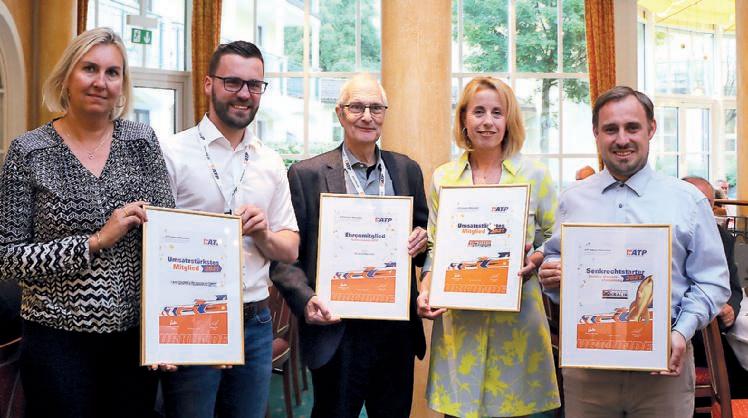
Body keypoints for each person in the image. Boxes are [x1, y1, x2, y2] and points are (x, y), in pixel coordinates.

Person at [0, 27, 174, 418]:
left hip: (133, 340)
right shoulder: (29, 151)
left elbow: (167, 241)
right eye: (89, 68)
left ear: (122, 85)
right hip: (56, 341)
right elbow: (7, 258)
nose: (100, 81)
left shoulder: (142, 142)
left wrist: (168, 331)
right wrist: (94, 242)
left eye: (112, 73)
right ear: (66, 77)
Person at [539, 86, 730, 417]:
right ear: (596, 133)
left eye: (632, 127)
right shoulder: (573, 199)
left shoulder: (687, 201)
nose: (621, 139)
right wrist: (551, 274)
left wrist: (681, 331)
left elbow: (712, 282)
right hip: (588, 371)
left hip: (664, 369)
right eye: (610, 129)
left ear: (651, 129)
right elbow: (554, 258)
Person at [158, 41, 299, 418]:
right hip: (192, 316)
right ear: (208, 84)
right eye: (232, 82)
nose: (244, 94)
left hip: (255, 320)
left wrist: (264, 235)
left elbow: (290, 249)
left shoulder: (270, 161)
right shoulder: (171, 152)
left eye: (254, 85)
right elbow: (153, 247)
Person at [284, 73, 429, 418]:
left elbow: (424, 239)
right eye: (357, 107)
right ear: (340, 113)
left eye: (376, 108)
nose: (367, 116)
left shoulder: (406, 170)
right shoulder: (306, 175)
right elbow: (286, 258)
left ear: (385, 113)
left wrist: (422, 239)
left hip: (394, 333)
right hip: (338, 330)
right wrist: (305, 299)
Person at [416, 76, 560, 418]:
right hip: (460, 323)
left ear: (509, 120)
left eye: (497, 112)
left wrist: (537, 258)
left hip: (518, 323)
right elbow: (435, 247)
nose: (487, 121)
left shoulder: (535, 175)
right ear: (464, 118)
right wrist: (425, 290)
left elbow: (558, 236)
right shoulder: (444, 177)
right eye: (478, 111)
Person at [683, 175, 748, 399]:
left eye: (708, 205)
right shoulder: (665, 235)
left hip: (714, 331)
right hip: (681, 333)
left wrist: (731, 309)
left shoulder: (722, 238)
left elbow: (734, 288)